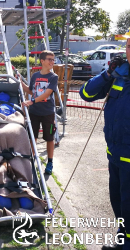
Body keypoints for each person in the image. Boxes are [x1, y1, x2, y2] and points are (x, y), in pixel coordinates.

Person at [79, 29, 130, 250]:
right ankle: (122, 241)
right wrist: (107, 74)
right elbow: (86, 94)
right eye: (128, 45)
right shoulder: (120, 73)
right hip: (115, 155)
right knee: (119, 205)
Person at [19, 50, 58, 175]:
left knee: (49, 138)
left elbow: (47, 93)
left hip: (47, 112)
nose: (52, 62)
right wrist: (20, 81)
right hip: (34, 112)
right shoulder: (35, 76)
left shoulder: (53, 77)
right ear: (42, 61)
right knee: (32, 137)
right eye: (50, 59)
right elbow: (31, 91)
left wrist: (31, 102)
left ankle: (50, 162)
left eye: (53, 59)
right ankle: (31, 161)